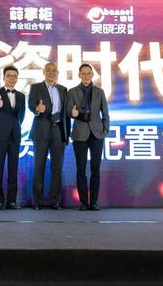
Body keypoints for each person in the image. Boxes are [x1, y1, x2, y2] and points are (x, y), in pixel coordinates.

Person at [66, 63, 109, 211]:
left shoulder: (99, 92)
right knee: (81, 169)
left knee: (96, 169)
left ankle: (94, 202)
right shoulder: (72, 92)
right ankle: (84, 202)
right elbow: (68, 111)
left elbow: (105, 113)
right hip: (80, 133)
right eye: (83, 73)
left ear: (92, 75)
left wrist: (105, 130)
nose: (86, 76)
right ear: (79, 75)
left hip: (97, 134)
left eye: (88, 73)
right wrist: (72, 113)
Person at [28, 62, 70, 210]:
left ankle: (55, 201)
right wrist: (37, 109)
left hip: (58, 130)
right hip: (41, 130)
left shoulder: (63, 90)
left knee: (57, 168)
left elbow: (65, 114)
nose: (51, 73)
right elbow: (31, 105)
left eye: (54, 70)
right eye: (48, 70)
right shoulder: (36, 87)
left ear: (57, 73)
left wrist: (66, 134)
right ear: (43, 72)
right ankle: (37, 201)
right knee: (39, 167)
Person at [0, 65, 25, 210]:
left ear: (17, 78)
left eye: (14, 76)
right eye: (9, 75)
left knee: (13, 169)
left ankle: (11, 201)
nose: (12, 78)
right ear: (4, 77)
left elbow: (21, 116)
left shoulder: (21, 96)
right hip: (0, 136)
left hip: (15, 136)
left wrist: (15, 127)